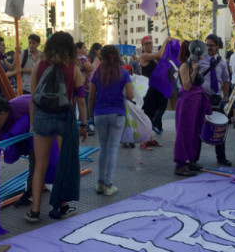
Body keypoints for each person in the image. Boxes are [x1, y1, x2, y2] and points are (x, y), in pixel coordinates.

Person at [27, 31, 89, 222]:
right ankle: (62, 207)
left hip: (42, 117)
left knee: (40, 165)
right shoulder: (74, 70)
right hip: (65, 117)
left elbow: (32, 99)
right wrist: (84, 125)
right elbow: (80, 101)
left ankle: (35, 211)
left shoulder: (39, 66)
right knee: (65, 163)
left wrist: (32, 124)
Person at [0, 94, 58, 208]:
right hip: (27, 134)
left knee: (45, 161)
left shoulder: (23, 106)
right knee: (33, 160)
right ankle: (32, 192)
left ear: (2, 115)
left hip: (45, 122)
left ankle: (37, 193)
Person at [89, 45, 134, 195]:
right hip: (117, 114)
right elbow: (131, 95)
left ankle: (100, 183)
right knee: (113, 148)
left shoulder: (96, 74)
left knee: (103, 148)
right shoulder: (123, 74)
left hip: (100, 114)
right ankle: (109, 185)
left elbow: (91, 96)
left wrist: (90, 115)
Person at [173, 40, 210, 177]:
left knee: (194, 133)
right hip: (187, 103)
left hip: (196, 103)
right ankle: (180, 165)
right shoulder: (184, 66)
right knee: (184, 133)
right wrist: (194, 71)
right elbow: (187, 86)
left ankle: (190, 161)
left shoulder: (195, 65)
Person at [197, 34, 233, 167]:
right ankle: (194, 158)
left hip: (216, 98)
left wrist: (225, 95)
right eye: (206, 45)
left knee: (220, 127)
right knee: (198, 128)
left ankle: (221, 157)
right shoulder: (199, 59)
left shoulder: (222, 61)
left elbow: (226, 80)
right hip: (201, 97)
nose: (209, 47)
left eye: (211, 45)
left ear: (217, 46)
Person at [139, 36, 166, 147]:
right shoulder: (144, 56)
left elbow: (161, 60)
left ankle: (150, 139)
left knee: (160, 107)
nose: (149, 45)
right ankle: (144, 141)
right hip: (149, 90)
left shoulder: (152, 58)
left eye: (150, 43)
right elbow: (159, 54)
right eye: (146, 43)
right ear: (143, 46)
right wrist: (165, 41)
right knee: (148, 114)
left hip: (155, 88)